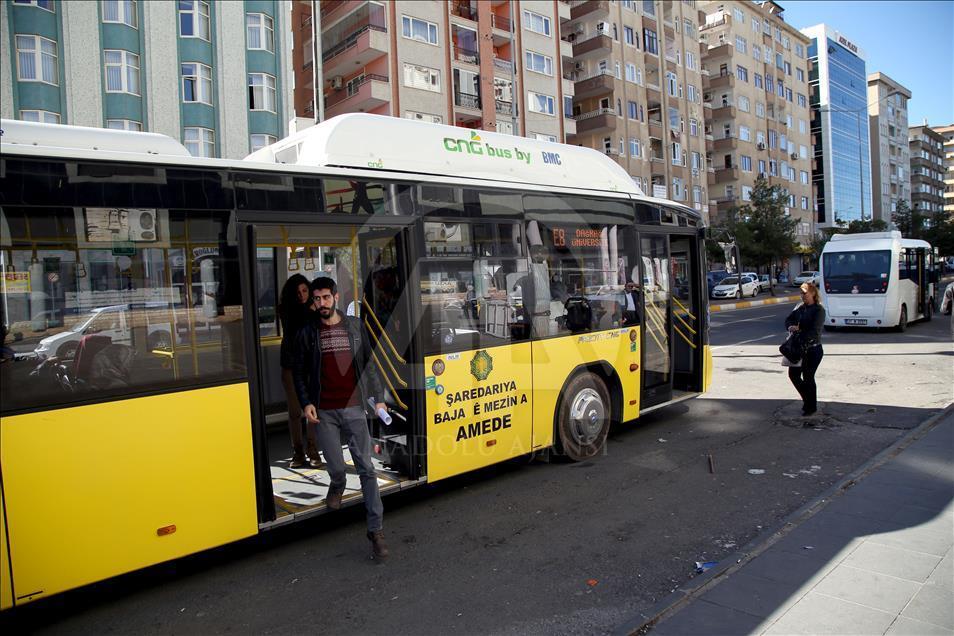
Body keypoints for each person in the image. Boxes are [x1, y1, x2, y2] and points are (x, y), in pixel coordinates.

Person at [292, 277, 390, 559]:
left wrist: (378, 396)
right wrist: (306, 402)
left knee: (367, 471)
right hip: (323, 411)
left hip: (354, 409)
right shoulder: (307, 332)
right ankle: (337, 483)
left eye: (325, 297)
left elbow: (369, 365)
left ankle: (376, 531)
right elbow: (299, 372)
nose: (321, 304)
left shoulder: (355, 328)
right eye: (316, 299)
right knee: (335, 465)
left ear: (335, 296)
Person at [278, 274, 321, 468]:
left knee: (312, 410)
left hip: (310, 365)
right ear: (291, 295)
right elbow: (297, 327)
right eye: (298, 292)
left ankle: (313, 450)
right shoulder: (287, 310)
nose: (302, 295)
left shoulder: (313, 310)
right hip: (290, 365)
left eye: (305, 291)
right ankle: (297, 452)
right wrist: (310, 309)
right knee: (295, 412)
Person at [785, 282, 826, 417]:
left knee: (808, 377)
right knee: (793, 375)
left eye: (805, 293)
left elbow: (815, 331)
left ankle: (811, 406)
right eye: (801, 293)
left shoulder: (819, 310)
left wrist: (800, 331)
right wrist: (791, 327)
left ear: (813, 293)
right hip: (798, 349)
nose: (802, 296)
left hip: (813, 349)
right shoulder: (800, 308)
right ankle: (808, 400)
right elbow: (788, 320)